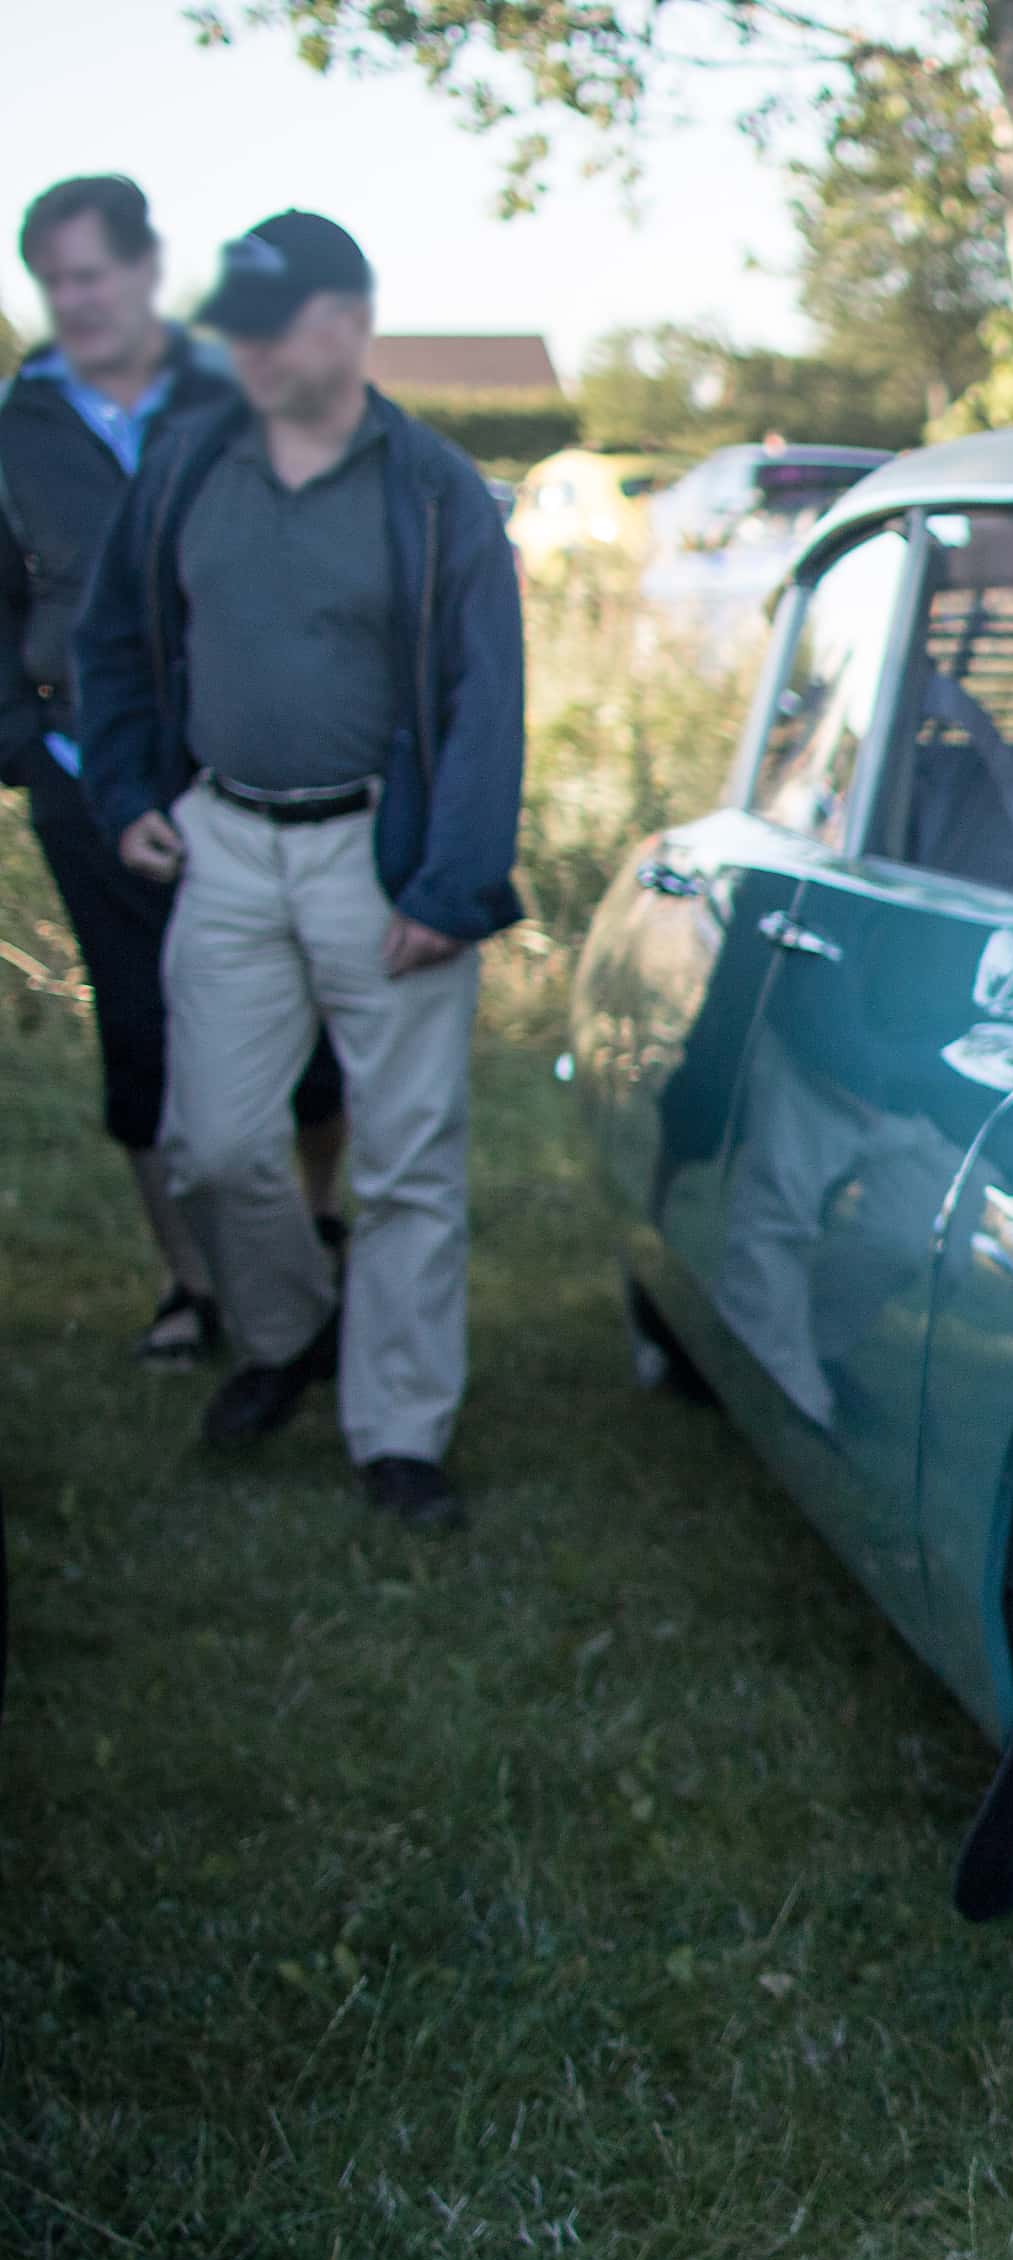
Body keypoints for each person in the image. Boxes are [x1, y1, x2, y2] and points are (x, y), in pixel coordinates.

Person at [73, 211, 523, 1532]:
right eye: (239, 330)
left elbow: (486, 698)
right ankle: (288, 1335)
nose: (250, 353)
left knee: (406, 1165)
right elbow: (113, 637)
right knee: (211, 1146)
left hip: (377, 856)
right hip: (221, 839)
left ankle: (399, 1432)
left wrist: (451, 885)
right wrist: (124, 793)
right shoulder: (189, 459)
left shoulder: (432, 489)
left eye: (274, 328)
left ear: (350, 321)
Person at [2, 175, 344, 1366]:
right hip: (86, 778)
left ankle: (310, 1240)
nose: (73, 301)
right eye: (53, 281)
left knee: (299, 1036)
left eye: (92, 273)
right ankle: (190, 1285)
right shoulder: (18, 426)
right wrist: (22, 746)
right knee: (142, 1034)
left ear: (149, 269)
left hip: (248, 779)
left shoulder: (238, 395)